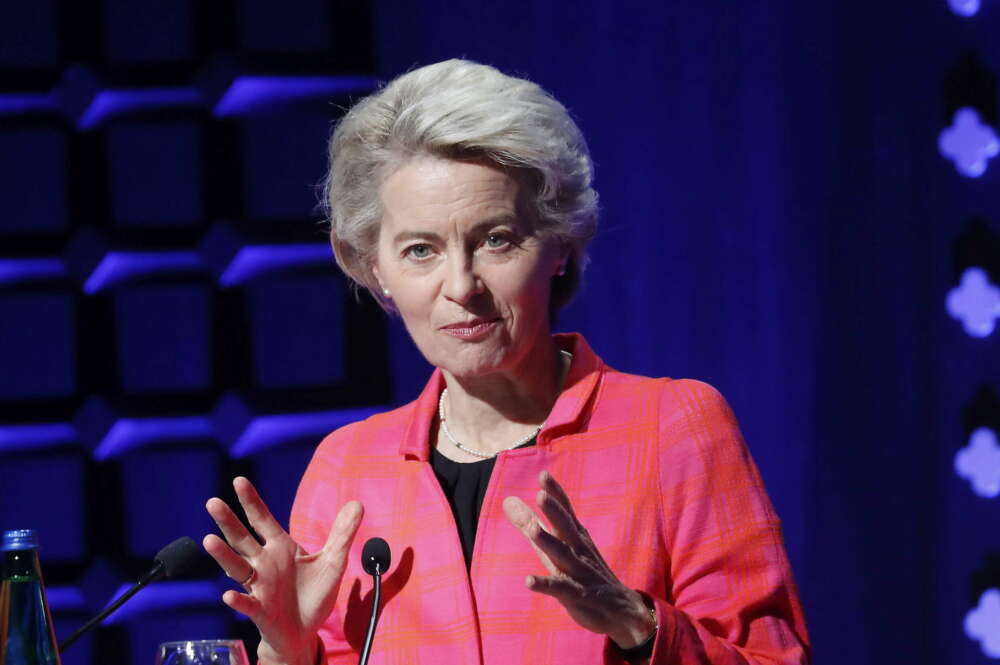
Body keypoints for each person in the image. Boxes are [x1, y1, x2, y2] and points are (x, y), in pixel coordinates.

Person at [203, 59, 810, 665]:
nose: (462, 285)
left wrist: (641, 627)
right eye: (421, 250)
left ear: (560, 245)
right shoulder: (347, 466)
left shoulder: (673, 427)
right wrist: (287, 651)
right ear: (374, 268)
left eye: (496, 239)